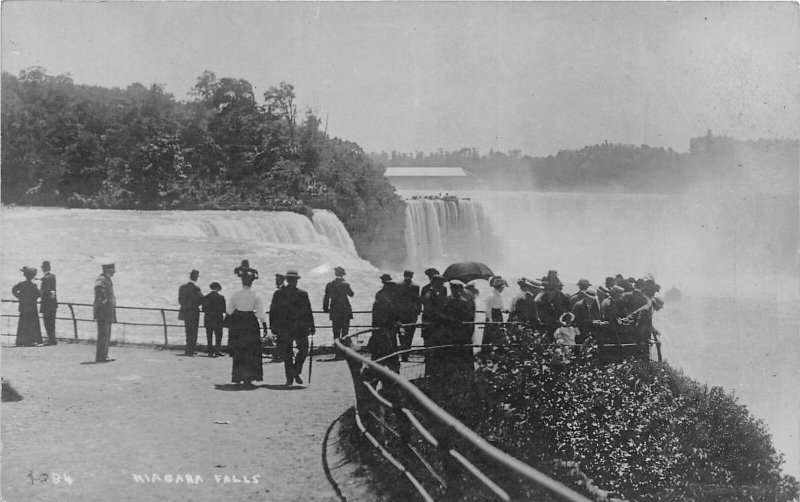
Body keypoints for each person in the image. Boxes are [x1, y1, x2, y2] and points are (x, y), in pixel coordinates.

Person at [270, 270, 315, 386]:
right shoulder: (301, 293)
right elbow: (308, 312)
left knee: (288, 353)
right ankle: (294, 372)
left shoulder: (279, 293)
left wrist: (273, 327)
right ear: (294, 281)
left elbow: (272, 312)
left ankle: (292, 374)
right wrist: (312, 326)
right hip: (298, 328)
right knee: (301, 351)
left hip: (287, 328)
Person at [226, 270, 265, 386]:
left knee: (239, 349)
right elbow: (260, 313)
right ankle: (250, 377)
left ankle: (238, 376)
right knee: (252, 350)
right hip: (251, 322)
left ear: (242, 281)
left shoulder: (235, 294)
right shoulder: (257, 294)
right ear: (252, 282)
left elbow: (229, 310)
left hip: (238, 323)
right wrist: (264, 325)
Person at [369, 273, 401, 373]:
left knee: (379, 356)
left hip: (382, 330)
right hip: (387, 330)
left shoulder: (381, 295)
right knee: (390, 353)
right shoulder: (390, 298)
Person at [322, 266, 354, 358]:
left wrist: (325, 308)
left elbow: (326, 297)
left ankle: (337, 353)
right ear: (342, 274)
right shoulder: (345, 284)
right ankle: (345, 353)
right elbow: (351, 294)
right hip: (345, 311)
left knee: (336, 333)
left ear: (335, 274)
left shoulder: (330, 284)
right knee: (345, 333)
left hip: (335, 311)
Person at [12, 266, 42, 347]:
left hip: (24, 307)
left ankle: (21, 341)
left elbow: (14, 290)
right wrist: (33, 299)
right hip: (32, 307)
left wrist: (20, 297)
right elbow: (39, 294)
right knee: (32, 324)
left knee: (23, 323)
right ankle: (31, 340)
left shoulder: (21, 284)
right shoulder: (33, 285)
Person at [93, 262, 117, 362]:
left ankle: (104, 355)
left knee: (106, 334)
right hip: (103, 311)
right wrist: (104, 300)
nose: (114, 271)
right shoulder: (102, 278)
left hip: (107, 311)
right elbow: (98, 289)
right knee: (103, 334)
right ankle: (101, 356)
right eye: (113, 269)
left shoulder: (106, 278)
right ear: (108, 269)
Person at [396, 270, 421, 361]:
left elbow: (396, 300)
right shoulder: (415, 286)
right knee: (408, 335)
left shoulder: (398, 285)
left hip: (404, 315)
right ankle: (405, 355)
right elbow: (418, 300)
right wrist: (418, 311)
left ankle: (403, 354)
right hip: (410, 315)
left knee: (403, 335)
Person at [178, 270, 203, 356]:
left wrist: (186, 306)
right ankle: (191, 349)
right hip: (194, 312)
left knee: (187, 330)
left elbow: (180, 300)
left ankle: (188, 349)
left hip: (185, 311)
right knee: (194, 331)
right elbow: (201, 300)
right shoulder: (196, 288)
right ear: (196, 278)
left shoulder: (182, 287)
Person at [482, 276, 507, 353]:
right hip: (493, 315)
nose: (503, 289)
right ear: (499, 287)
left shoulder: (498, 295)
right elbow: (488, 309)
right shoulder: (491, 296)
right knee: (490, 333)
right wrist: (490, 320)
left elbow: (500, 306)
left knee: (499, 333)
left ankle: (499, 350)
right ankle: (486, 351)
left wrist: (505, 310)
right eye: (502, 287)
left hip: (498, 315)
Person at [202, 282, 226, 357]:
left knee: (209, 335)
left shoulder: (206, 297)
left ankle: (210, 351)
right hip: (218, 319)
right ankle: (217, 350)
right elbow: (224, 310)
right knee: (218, 335)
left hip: (208, 318)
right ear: (218, 288)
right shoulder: (221, 297)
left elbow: (203, 309)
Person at [40, 261, 58, 345]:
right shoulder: (52, 277)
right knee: (52, 322)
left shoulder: (45, 278)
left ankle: (51, 339)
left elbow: (44, 292)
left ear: (44, 268)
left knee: (47, 322)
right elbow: (53, 291)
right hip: (52, 304)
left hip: (46, 304)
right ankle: (52, 338)